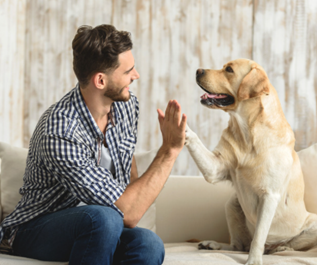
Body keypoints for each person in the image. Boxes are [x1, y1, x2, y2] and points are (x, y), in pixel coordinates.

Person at [0, 24, 187, 264]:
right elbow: (127, 214)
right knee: (104, 218)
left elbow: (127, 168)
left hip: (100, 226)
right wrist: (169, 151)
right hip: (37, 229)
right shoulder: (60, 129)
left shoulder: (126, 105)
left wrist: (131, 199)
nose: (136, 75)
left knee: (148, 243)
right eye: (128, 70)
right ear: (100, 80)